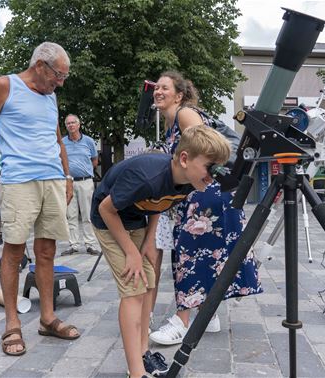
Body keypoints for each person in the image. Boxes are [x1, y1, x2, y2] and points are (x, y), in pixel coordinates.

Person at [91, 126, 231, 378]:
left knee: (148, 281)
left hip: (135, 219)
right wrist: (131, 252)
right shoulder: (148, 176)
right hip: (109, 219)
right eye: (210, 169)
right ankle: (135, 372)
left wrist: (147, 239)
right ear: (185, 159)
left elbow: (160, 203)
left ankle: (143, 353)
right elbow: (106, 209)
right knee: (133, 286)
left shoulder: (190, 181)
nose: (212, 178)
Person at [0, 41, 79, 357]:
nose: (61, 82)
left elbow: (56, 138)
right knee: (14, 252)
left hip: (53, 180)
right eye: (59, 75)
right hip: (19, 181)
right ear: (41, 66)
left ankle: (47, 317)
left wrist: (67, 177)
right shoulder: (5, 85)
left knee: (47, 250)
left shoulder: (52, 96)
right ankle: (12, 324)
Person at [149, 71, 262, 346]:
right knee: (205, 253)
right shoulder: (173, 122)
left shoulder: (185, 114)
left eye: (165, 88)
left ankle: (182, 321)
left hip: (206, 192)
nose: (158, 91)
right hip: (209, 189)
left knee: (190, 252)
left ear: (179, 95)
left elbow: (204, 149)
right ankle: (207, 314)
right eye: (156, 88)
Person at [61, 114, 100, 256]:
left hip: (85, 181)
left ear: (79, 125)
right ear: (66, 126)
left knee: (87, 214)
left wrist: (86, 169)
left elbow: (95, 160)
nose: (71, 125)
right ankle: (74, 244)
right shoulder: (62, 142)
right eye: (68, 123)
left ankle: (90, 243)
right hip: (68, 182)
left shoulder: (89, 141)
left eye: (73, 123)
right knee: (70, 215)